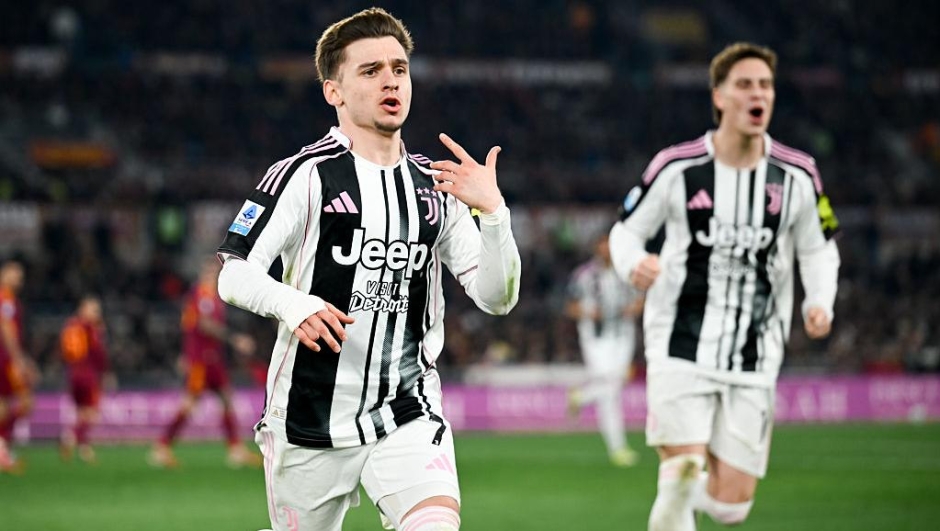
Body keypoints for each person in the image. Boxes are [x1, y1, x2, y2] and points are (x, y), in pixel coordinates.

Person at [215, 8, 521, 531]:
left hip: (407, 407)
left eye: (399, 69)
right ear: (333, 91)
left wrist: (494, 214)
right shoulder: (303, 176)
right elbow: (233, 272)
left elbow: (497, 298)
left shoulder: (436, 186)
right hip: (310, 415)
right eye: (371, 70)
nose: (390, 81)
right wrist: (294, 304)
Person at [609, 42, 840, 530]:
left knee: (732, 508)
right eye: (745, 84)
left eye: (765, 85)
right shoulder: (676, 166)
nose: (758, 94)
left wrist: (819, 301)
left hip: (755, 353)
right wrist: (633, 264)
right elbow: (625, 232)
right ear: (719, 96)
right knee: (681, 471)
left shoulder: (799, 174)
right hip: (679, 342)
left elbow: (820, 247)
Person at [148, 259, 260, 469]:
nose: (213, 276)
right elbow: (205, 325)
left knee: (226, 398)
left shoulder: (211, 296)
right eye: (210, 272)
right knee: (190, 402)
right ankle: (161, 447)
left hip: (212, 358)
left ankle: (235, 450)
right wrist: (234, 339)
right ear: (203, 274)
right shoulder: (202, 295)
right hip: (201, 360)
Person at [565, 234, 643, 467]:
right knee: (610, 388)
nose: (606, 250)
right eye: (602, 246)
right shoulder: (584, 275)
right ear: (596, 249)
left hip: (623, 334)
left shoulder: (626, 272)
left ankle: (582, 396)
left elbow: (641, 299)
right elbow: (570, 306)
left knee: (614, 385)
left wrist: (633, 309)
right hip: (596, 337)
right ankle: (618, 449)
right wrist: (589, 313)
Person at [59, 294, 113, 463]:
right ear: (83, 309)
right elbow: (98, 353)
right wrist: (105, 372)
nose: (97, 313)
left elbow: (64, 351)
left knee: (81, 412)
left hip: (72, 372)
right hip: (87, 373)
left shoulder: (69, 325)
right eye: (94, 310)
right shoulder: (91, 328)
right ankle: (70, 437)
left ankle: (84, 448)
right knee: (92, 413)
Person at [0, 258, 35, 474]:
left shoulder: (10, 299)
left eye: (20, 277)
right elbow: (6, 327)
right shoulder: (5, 298)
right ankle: (3, 447)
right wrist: (18, 358)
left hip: (7, 356)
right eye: (14, 274)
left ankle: (3, 449)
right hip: (5, 358)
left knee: (8, 404)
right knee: (22, 402)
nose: (18, 280)